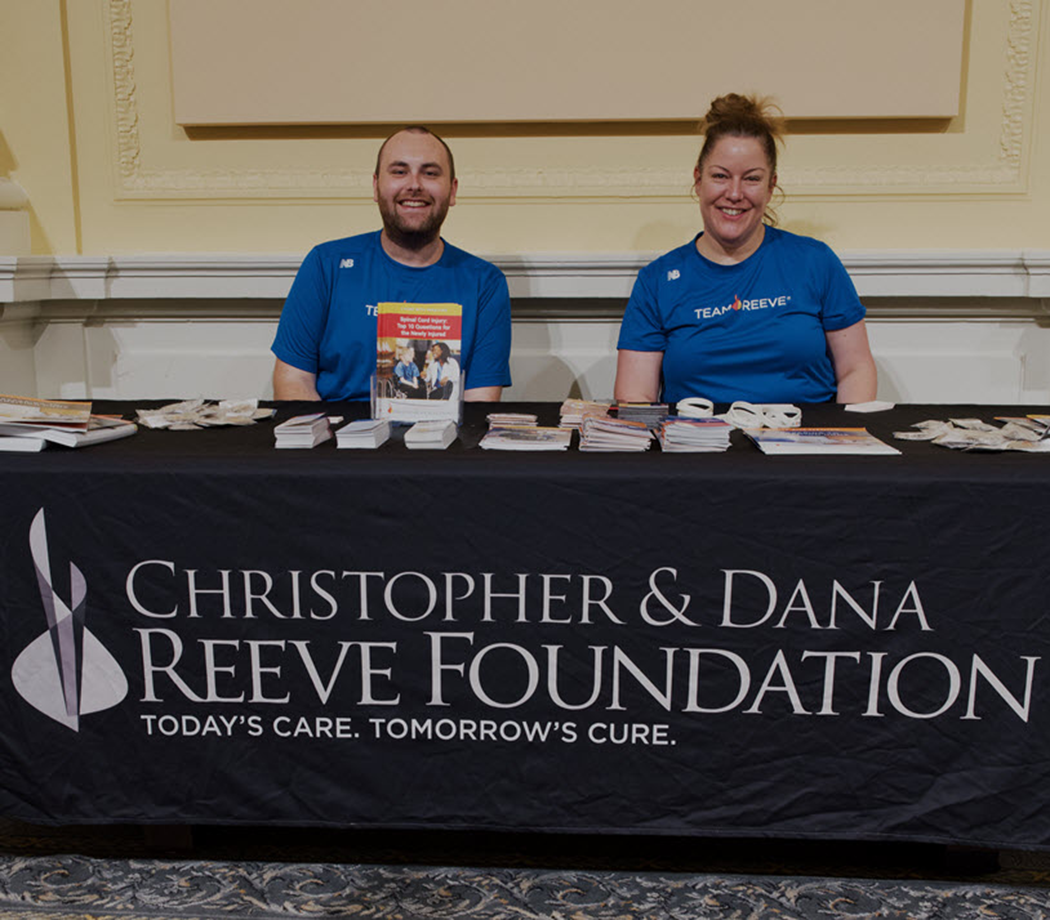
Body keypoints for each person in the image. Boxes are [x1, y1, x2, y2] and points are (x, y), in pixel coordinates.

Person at [615, 94, 876, 406]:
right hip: (699, 449)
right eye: (720, 176)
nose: (735, 193)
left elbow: (855, 370)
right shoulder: (656, 281)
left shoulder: (815, 261)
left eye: (751, 179)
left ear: (770, 186)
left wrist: (841, 442)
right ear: (698, 180)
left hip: (804, 447)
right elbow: (635, 397)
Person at [271, 126, 511, 401]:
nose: (414, 185)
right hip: (336, 439)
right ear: (376, 186)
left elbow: (480, 401)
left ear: (452, 190)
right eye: (399, 171)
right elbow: (293, 381)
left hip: (442, 440)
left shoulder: (485, 283)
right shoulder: (326, 265)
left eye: (430, 173)